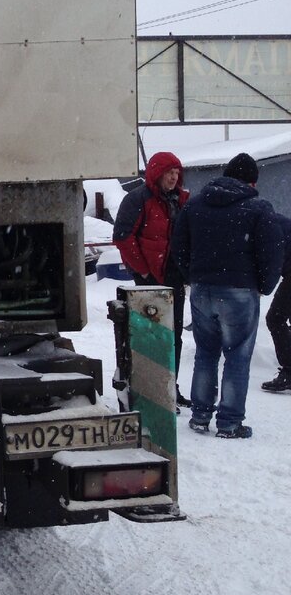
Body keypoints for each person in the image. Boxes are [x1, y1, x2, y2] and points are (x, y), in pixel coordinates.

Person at [171, 153, 284, 438]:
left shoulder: (194, 205)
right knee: (237, 357)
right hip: (240, 291)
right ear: (252, 181)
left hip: (202, 289)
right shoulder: (258, 209)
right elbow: (272, 253)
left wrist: (192, 276)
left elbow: (179, 246)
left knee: (206, 354)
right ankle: (229, 423)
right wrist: (263, 286)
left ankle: (199, 416)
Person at [112, 151, 190, 405]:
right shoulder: (137, 200)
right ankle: (149, 390)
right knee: (150, 336)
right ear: (157, 173)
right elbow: (123, 237)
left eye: (176, 173)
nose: (173, 177)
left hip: (174, 278)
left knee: (173, 334)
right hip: (149, 280)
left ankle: (170, 387)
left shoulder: (181, 200)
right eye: (169, 172)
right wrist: (143, 271)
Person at [261, 212, 291, 393]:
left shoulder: (263, 223)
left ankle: (289, 370)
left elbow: (271, 259)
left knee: (275, 318)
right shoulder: (271, 218)